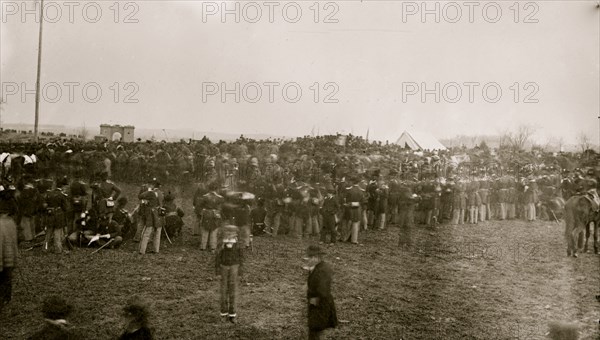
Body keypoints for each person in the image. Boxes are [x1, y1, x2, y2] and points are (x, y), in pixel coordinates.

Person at [304, 245, 338, 340]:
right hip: (318, 303)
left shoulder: (322, 270)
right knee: (314, 328)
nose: (307, 261)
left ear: (316, 258)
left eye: (309, 258)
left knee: (315, 328)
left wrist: (316, 297)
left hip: (320, 304)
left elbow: (323, 288)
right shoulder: (318, 267)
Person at [215, 225, 244, 323]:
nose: (229, 236)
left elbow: (241, 257)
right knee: (223, 291)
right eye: (227, 234)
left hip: (234, 267)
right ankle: (223, 313)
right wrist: (217, 270)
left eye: (232, 234)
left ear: (236, 235)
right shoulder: (221, 244)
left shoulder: (238, 244)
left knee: (233, 291)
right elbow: (217, 257)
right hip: (223, 267)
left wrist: (240, 270)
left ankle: (232, 314)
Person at [0, 182, 19, 313]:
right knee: (7, 278)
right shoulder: (11, 223)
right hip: (10, 257)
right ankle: (6, 298)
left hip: (3, 257)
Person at [138, 179, 164, 255]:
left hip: (151, 213)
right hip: (159, 213)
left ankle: (142, 250)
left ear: (153, 185)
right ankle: (156, 250)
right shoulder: (161, 193)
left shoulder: (150, 193)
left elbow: (140, 196)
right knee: (157, 232)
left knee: (147, 232)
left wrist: (148, 192)